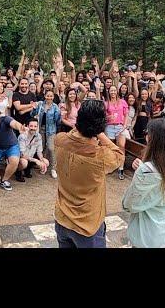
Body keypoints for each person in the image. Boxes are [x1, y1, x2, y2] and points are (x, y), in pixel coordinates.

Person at [53, 100, 125, 248]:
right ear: (100, 125)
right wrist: (100, 133)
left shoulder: (60, 140)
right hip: (87, 226)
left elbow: (74, 135)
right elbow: (119, 155)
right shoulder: (99, 156)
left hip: (62, 218)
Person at [121, 118, 165, 248]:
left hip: (145, 233)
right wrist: (143, 166)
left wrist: (142, 169)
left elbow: (128, 204)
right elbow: (161, 176)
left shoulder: (146, 170)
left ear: (150, 138)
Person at [31, 89, 62, 178]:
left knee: (51, 148)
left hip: (51, 130)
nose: (49, 97)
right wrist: (33, 108)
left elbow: (58, 121)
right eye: (47, 95)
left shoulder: (55, 107)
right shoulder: (40, 104)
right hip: (40, 129)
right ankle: (43, 166)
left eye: (51, 96)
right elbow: (32, 114)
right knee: (42, 148)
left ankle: (53, 168)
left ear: (53, 97)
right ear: (45, 96)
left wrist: (59, 113)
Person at [105, 85, 129, 180]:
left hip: (120, 126)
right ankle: (110, 166)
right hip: (110, 126)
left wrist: (125, 125)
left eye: (114, 90)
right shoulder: (106, 103)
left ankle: (121, 168)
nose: (113, 92)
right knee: (109, 147)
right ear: (109, 92)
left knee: (121, 146)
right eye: (111, 90)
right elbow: (104, 115)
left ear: (117, 91)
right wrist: (108, 118)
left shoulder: (122, 102)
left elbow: (126, 114)